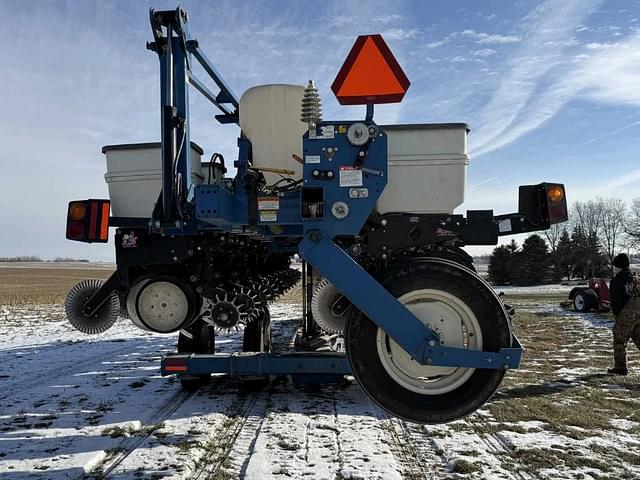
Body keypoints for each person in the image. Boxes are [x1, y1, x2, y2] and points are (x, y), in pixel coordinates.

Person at [608, 253, 640, 375]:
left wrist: (617, 316)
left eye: (615, 265)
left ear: (619, 266)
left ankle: (620, 367)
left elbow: (615, 301)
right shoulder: (636, 278)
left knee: (620, 340)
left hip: (626, 313)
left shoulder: (616, 280)